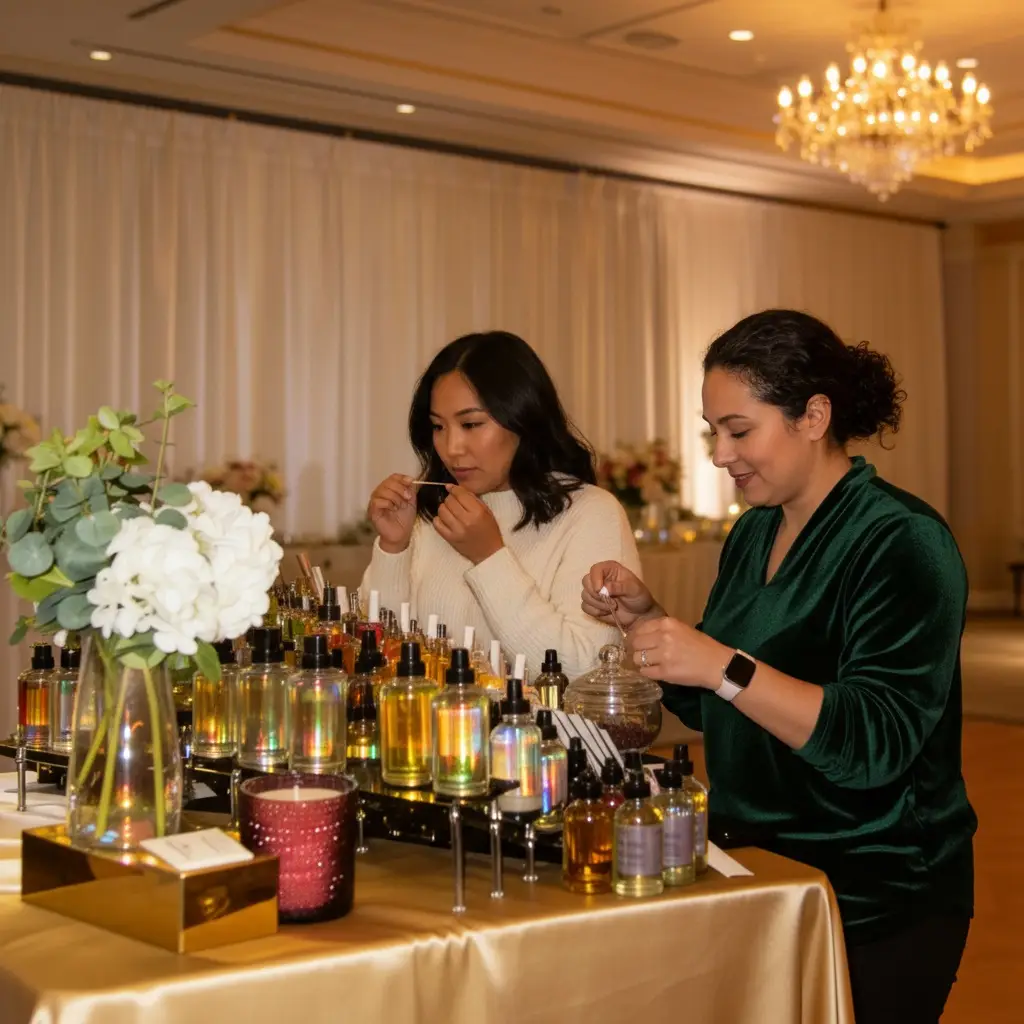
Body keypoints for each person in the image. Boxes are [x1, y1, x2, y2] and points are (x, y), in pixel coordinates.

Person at [583, 310, 976, 1024]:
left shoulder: (902, 541)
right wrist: (648, 621)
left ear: (814, 417)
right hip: (760, 871)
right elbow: (720, 699)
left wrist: (721, 664)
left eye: (739, 431)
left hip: (876, 892)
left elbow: (874, 743)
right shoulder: (755, 531)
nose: (720, 454)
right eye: (713, 432)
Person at [362, 330, 641, 679]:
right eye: (438, 427)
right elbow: (376, 656)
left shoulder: (590, 513)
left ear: (523, 418)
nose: (451, 448)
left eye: (471, 424)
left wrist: (490, 557)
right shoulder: (435, 511)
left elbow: (586, 674)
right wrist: (394, 548)